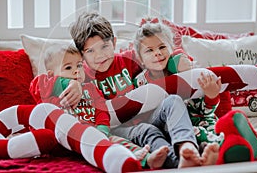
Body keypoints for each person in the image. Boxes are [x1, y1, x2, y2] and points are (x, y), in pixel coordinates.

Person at [69, 11, 212, 168]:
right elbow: (61, 80)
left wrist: (179, 57)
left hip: (148, 116)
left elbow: (156, 50)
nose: (100, 56)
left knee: (173, 101)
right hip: (118, 129)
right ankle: (178, 162)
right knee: (147, 130)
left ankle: (187, 146)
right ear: (81, 55)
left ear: (114, 43)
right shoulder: (83, 76)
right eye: (90, 51)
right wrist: (73, 84)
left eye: (104, 46)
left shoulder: (128, 59)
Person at [30, 43, 169, 169]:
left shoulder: (90, 89)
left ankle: (146, 159)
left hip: (92, 136)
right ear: (51, 74)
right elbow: (36, 85)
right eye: (68, 67)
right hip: (62, 140)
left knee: (118, 142)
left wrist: (102, 130)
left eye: (79, 65)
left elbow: (101, 112)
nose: (76, 71)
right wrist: (69, 84)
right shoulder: (48, 89)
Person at [132, 17, 223, 158]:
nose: (157, 53)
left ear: (172, 49)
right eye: (149, 50)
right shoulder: (140, 83)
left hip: (193, 123)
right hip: (162, 126)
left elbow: (203, 110)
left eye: (162, 47)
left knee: (216, 130)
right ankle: (201, 149)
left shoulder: (185, 74)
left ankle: (213, 148)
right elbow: (141, 117)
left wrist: (211, 96)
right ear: (141, 60)